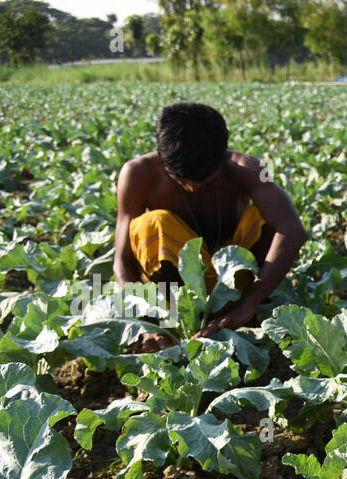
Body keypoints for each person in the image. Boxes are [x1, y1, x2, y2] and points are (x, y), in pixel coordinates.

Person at [113, 102, 307, 348]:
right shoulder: (137, 173)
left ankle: (237, 307)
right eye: (182, 180)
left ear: (222, 157)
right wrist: (149, 321)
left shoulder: (249, 169)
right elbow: (122, 262)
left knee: (268, 215)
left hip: (235, 285)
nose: (193, 187)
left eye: (206, 179)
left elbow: (292, 231)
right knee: (151, 224)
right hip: (171, 298)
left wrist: (248, 305)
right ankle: (176, 320)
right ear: (163, 160)